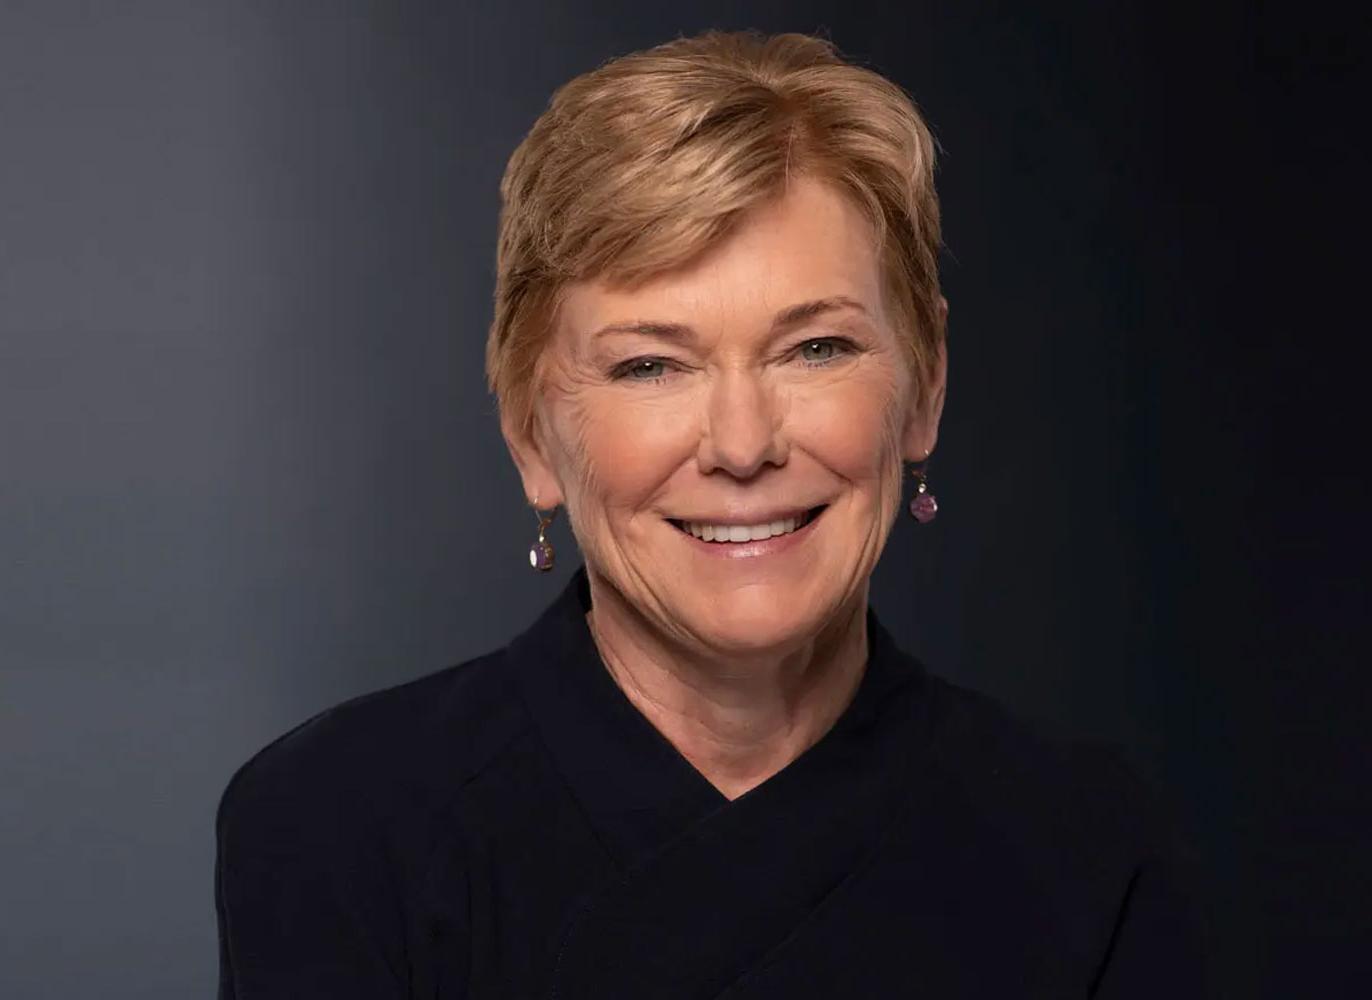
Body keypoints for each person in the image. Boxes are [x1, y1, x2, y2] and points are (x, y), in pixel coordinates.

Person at [214, 28, 1210, 998]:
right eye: (652, 364)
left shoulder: (1085, 848)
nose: (742, 444)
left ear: (928, 383)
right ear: (530, 432)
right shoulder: (337, 826)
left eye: (814, 348)